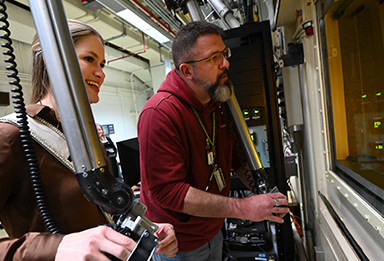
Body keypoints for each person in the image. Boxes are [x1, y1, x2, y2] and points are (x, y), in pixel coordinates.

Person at [0, 20, 177, 260]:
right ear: (52, 59)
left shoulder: (88, 137)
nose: (101, 73)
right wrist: (55, 248)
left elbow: (100, 212)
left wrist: (149, 227)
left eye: (102, 64)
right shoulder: (10, 136)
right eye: (89, 59)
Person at [138, 21, 289, 261]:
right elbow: (169, 192)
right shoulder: (160, 113)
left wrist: (263, 192)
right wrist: (243, 207)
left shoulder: (217, 101)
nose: (225, 63)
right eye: (214, 58)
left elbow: (237, 157)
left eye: (224, 54)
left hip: (213, 232)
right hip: (179, 247)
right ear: (187, 71)